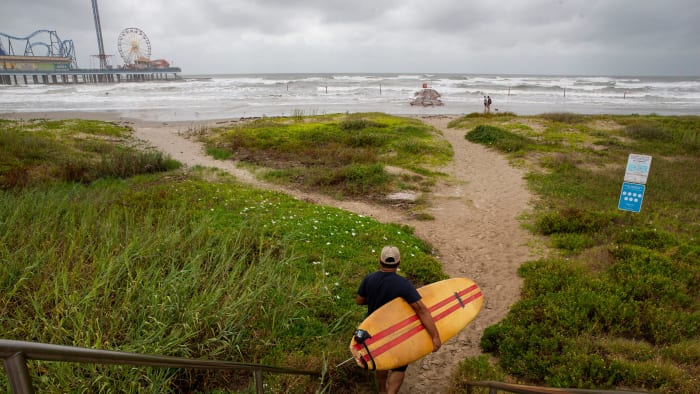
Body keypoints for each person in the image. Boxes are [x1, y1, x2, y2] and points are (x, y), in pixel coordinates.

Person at [356, 246, 441, 394]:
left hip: (374, 330)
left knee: (381, 361)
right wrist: (435, 336)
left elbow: (359, 300)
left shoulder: (369, 279)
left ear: (380, 261)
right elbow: (421, 309)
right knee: (399, 366)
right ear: (398, 262)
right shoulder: (403, 284)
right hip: (398, 331)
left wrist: (376, 299)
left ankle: (382, 391)